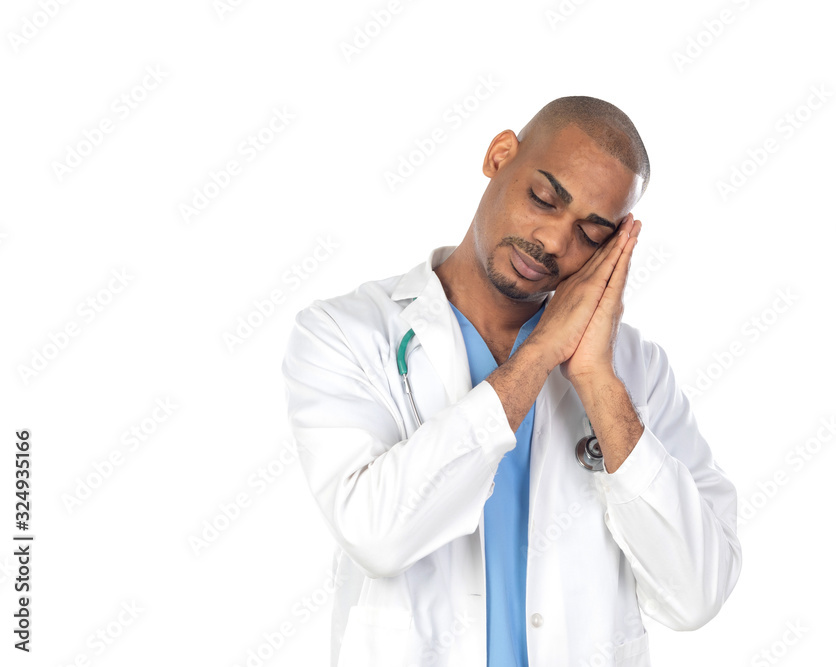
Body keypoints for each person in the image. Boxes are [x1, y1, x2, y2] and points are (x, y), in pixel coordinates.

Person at [281, 96, 741, 667]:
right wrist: (540, 354)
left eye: (590, 234)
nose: (554, 242)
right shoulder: (344, 333)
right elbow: (376, 535)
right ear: (499, 156)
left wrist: (596, 379)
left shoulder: (635, 370)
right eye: (544, 199)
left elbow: (696, 595)